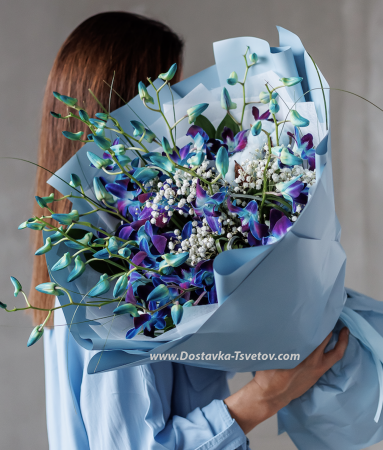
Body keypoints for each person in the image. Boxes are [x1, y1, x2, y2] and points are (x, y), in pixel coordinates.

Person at [32, 11, 349, 450]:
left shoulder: (138, 253)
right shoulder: (102, 281)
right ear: (120, 116)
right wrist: (265, 395)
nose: (181, 117)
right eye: (169, 96)